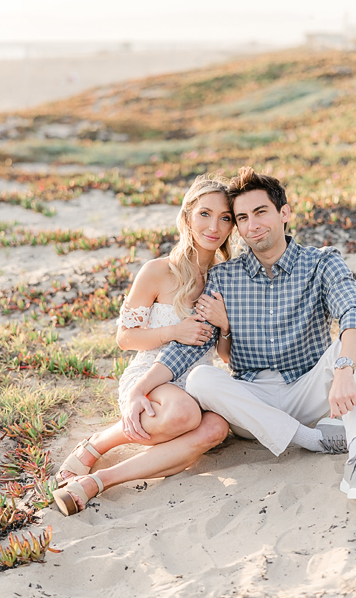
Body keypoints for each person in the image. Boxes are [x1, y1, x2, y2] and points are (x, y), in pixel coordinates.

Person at [138, 167, 356, 504]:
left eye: (260, 212)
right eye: (242, 217)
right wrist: (142, 388)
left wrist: (343, 369)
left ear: (284, 213)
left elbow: (355, 313)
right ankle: (311, 440)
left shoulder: (321, 263)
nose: (252, 225)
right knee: (200, 378)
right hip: (252, 401)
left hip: (308, 392)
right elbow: (190, 343)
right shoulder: (224, 278)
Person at [53, 176, 234, 515]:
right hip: (150, 377)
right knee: (182, 414)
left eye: (225, 218)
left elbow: (225, 356)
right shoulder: (157, 271)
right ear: (187, 218)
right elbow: (125, 337)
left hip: (199, 382)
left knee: (216, 429)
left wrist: (224, 326)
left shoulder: (228, 277)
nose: (214, 226)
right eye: (205, 214)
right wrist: (174, 331)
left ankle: (101, 480)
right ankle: (98, 443)